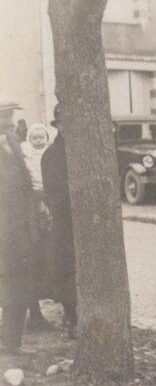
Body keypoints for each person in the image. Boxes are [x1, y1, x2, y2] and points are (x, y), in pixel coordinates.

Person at [0, 126, 38, 355]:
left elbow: (25, 181)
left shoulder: (13, 142)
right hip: (6, 228)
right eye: (5, 116)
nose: (11, 122)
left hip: (19, 228)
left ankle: (12, 339)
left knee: (19, 284)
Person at [39, 103, 76, 336]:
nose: (67, 127)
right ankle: (71, 316)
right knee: (66, 267)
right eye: (63, 123)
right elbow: (52, 190)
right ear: (58, 125)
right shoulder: (51, 155)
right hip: (65, 220)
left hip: (84, 221)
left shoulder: (83, 151)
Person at [20, 123, 53, 330]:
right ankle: (34, 312)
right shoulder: (28, 158)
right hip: (34, 208)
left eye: (42, 137)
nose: (39, 141)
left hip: (49, 206)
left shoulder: (49, 155)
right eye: (35, 138)